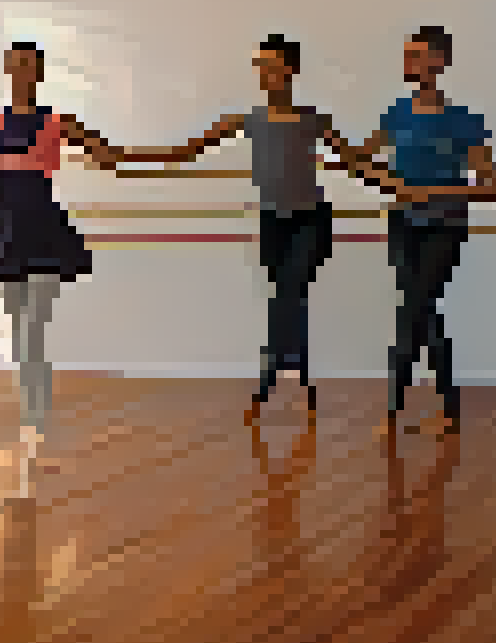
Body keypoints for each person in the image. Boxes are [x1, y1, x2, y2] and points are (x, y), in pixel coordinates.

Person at [115, 35, 383, 423]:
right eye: (260, 67)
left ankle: (274, 374)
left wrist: (403, 184)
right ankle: (297, 373)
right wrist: (125, 157)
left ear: (291, 70)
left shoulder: (313, 120)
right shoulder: (248, 120)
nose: (265, 75)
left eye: (273, 67)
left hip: (312, 219)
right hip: (272, 221)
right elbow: (187, 152)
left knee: (290, 289)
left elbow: (356, 164)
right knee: (284, 295)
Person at [332, 26, 496, 437]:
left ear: (441, 61)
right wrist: (365, 167)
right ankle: (444, 408)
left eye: (420, 56)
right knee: (421, 311)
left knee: (413, 307)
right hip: (403, 222)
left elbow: (485, 177)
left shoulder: (463, 120)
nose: (411, 64)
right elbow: (362, 159)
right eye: (408, 56)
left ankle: (397, 410)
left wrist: (435, 190)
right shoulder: (395, 114)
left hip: (446, 223)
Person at [0, 42, 123, 463]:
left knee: (34, 325)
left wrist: (125, 155)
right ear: (8, 70)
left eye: (30, 64)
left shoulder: (57, 120)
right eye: (16, 64)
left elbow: (108, 156)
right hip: (8, 232)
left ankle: (36, 413)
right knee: (17, 325)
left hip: (45, 230)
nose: (23, 71)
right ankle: (31, 407)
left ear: (41, 71)